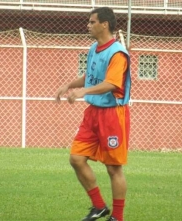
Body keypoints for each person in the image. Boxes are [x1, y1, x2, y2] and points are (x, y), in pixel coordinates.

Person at [55, 7, 131, 221]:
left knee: (113, 169)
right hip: (93, 114)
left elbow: (112, 83)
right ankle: (99, 206)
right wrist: (68, 85)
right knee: (76, 159)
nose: (88, 25)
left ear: (104, 24)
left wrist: (84, 91)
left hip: (113, 115)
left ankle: (117, 217)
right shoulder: (93, 48)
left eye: (91, 22)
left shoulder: (117, 53)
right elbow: (89, 77)